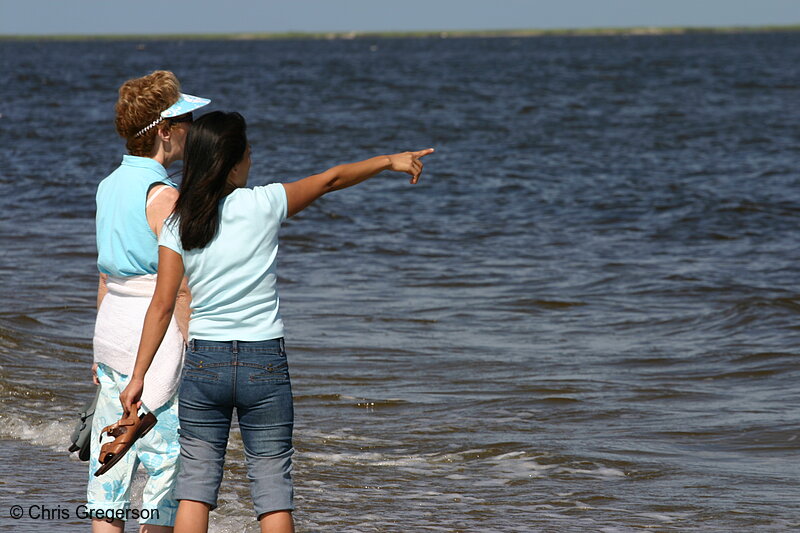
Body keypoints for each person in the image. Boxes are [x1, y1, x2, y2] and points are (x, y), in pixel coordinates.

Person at [119, 111, 433, 533]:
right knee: (271, 489)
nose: (252, 159)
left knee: (194, 488)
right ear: (232, 164)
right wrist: (388, 160)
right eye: (248, 153)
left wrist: (138, 376)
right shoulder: (263, 203)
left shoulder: (179, 222)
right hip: (263, 362)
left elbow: (161, 305)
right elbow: (331, 179)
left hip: (205, 362)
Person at [89, 70, 210, 533]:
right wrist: (196, 344)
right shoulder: (163, 195)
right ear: (164, 131)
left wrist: (95, 350)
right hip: (153, 337)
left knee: (111, 462)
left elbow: (105, 273)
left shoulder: (108, 186)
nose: (191, 127)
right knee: (165, 462)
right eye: (185, 118)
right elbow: (177, 288)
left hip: (110, 329)